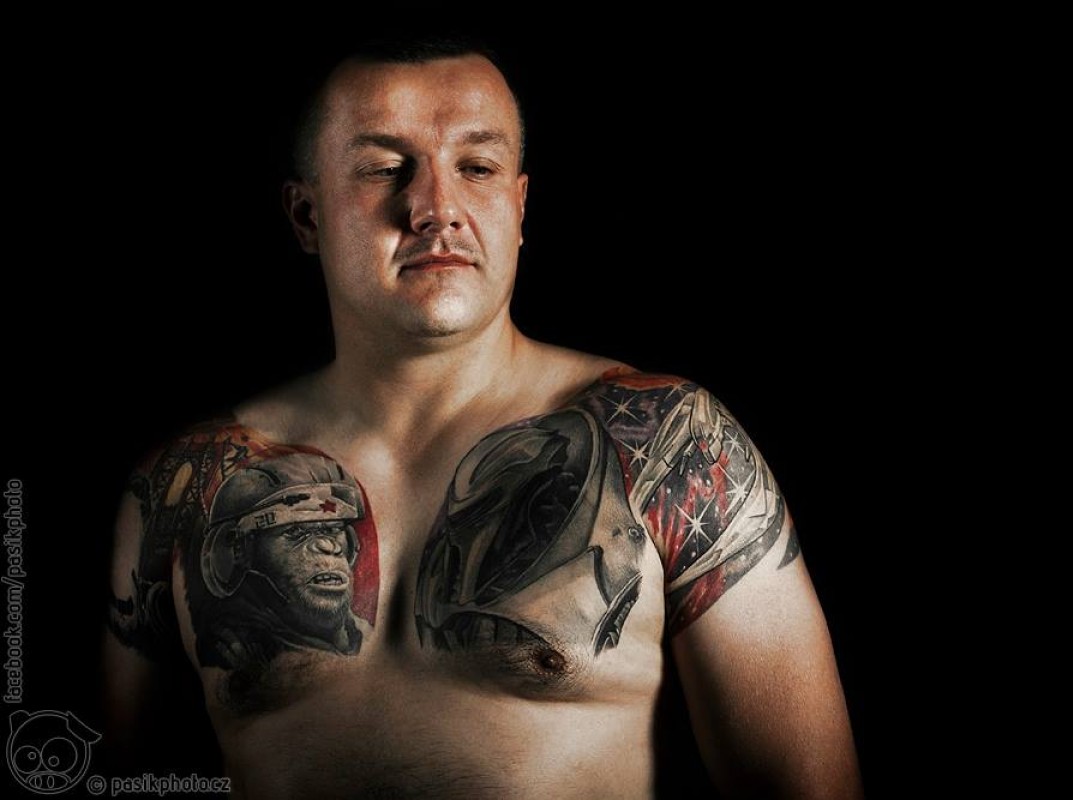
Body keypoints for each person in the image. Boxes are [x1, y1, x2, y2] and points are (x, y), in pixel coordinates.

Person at [103, 34, 863, 798]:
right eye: (384, 168)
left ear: (520, 205)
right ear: (306, 215)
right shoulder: (191, 488)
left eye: (477, 167)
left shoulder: (667, 442)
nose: (437, 208)